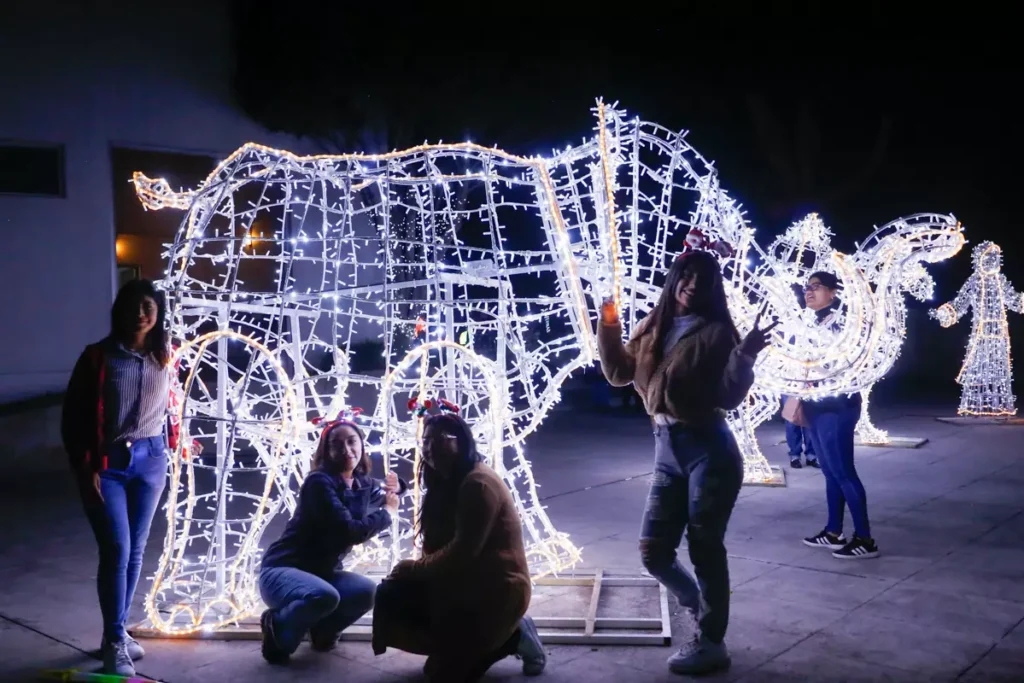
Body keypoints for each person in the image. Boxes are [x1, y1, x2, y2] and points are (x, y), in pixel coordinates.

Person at [597, 250, 777, 676]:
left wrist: (746, 356)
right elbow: (618, 374)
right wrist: (608, 323)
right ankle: (702, 609)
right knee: (654, 552)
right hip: (666, 454)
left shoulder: (717, 333)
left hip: (708, 451)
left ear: (713, 288)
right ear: (676, 278)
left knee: (704, 547)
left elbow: (729, 397)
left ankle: (713, 641)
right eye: (687, 275)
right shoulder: (651, 326)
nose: (693, 284)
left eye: (704, 279)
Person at [61, 279, 198, 677]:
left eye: (149, 306)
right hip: (110, 464)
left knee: (136, 550)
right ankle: (116, 639)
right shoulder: (98, 357)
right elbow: (73, 417)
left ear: (158, 313)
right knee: (117, 548)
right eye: (134, 306)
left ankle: (115, 635)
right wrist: (87, 468)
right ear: (119, 310)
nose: (141, 313)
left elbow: (172, 400)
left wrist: (178, 439)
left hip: (153, 458)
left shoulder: (164, 354)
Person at [371, 411, 546, 682]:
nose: (430, 448)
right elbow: (439, 544)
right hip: (462, 582)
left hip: (494, 590)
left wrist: (413, 569)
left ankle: (513, 636)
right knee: (391, 594)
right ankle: (470, 642)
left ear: (462, 441)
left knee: (442, 675)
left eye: (441, 439)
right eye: (426, 441)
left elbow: (462, 552)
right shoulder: (444, 479)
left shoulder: (477, 484)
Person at [258, 416, 406, 663]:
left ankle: (322, 631)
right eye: (337, 444)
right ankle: (277, 632)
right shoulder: (319, 483)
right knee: (324, 596)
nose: (347, 450)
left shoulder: (361, 484)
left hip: (322, 574)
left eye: (352, 441)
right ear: (326, 451)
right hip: (282, 571)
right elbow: (350, 531)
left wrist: (398, 486)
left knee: (368, 592)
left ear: (361, 445)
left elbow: (383, 491)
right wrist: (387, 513)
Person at [795, 272, 879, 559]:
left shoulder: (841, 323)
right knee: (830, 471)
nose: (809, 291)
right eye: (807, 287)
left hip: (837, 406)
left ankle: (865, 540)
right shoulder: (814, 322)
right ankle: (833, 532)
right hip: (817, 406)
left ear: (833, 293)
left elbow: (845, 362)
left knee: (843, 472)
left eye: (816, 287)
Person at [783, 398, 818, 468]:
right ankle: (795, 455)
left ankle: (811, 455)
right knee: (792, 419)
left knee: (809, 419)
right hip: (791, 389)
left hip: (810, 389)